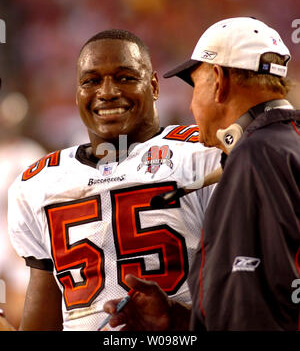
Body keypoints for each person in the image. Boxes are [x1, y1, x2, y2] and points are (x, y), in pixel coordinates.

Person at [2, 29, 221, 331]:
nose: (107, 92)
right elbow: (43, 318)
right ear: (76, 92)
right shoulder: (37, 183)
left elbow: (244, 293)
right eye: (91, 81)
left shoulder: (202, 156)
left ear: (154, 86)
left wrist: (180, 319)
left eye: (125, 77)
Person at [103, 17, 300, 331]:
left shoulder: (256, 156)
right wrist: (177, 318)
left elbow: (254, 306)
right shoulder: (284, 146)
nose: (192, 106)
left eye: (195, 87)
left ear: (219, 81)